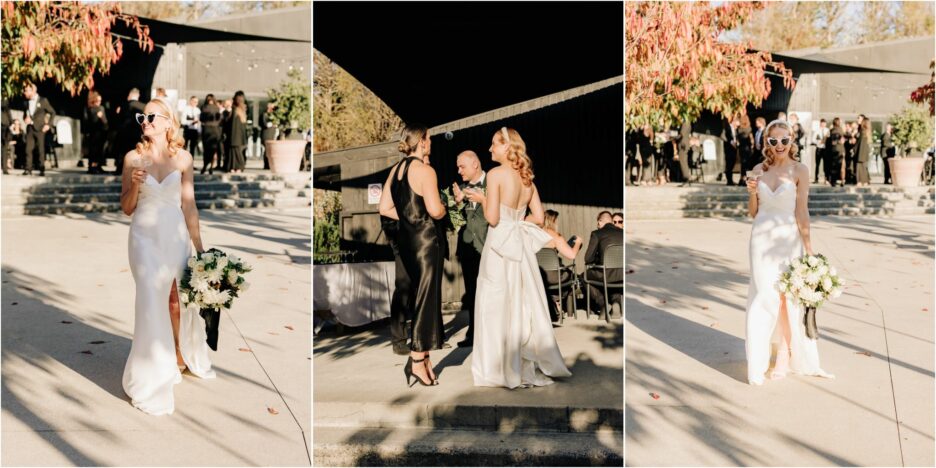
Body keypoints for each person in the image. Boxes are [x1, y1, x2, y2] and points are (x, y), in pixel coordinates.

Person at [120, 98, 215, 415]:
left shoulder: (184, 158)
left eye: (150, 116)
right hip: (143, 237)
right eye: (141, 117)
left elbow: (189, 205)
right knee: (149, 297)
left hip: (174, 236)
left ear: (167, 122)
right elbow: (126, 207)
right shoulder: (133, 158)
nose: (144, 121)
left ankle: (177, 349)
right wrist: (133, 186)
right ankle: (150, 371)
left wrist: (200, 246)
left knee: (176, 299)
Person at [466, 127, 572, 388]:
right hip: (519, 247)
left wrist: (482, 200)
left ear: (507, 146)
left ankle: (499, 368)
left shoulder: (495, 175)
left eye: (493, 144)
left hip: (498, 246)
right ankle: (524, 364)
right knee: (521, 303)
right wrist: (517, 221)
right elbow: (537, 217)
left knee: (495, 305)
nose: (490, 149)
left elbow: (492, 218)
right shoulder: (528, 180)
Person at [744, 119, 834, 386]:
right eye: (774, 141)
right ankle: (757, 360)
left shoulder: (800, 170)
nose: (780, 145)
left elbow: (801, 211)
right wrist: (750, 191)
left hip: (788, 239)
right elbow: (753, 212)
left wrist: (808, 249)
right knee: (764, 295)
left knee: (786, 299)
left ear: (792, 141)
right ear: (766, 143)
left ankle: (784, 354)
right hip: (761, 238)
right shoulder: (758, 170)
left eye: (785, 140)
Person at [378, 123, 446, 387]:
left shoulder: (395, 170)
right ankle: (417, 361)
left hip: (407, 243)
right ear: (422, 142)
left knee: (420, 297)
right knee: (427, 300)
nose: (430, 143)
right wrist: (443, 206)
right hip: (427, 241)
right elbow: (436, 210)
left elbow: (385, 207)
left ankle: (424, 359)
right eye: (428, 139)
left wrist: (408, 219)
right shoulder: (425, 170)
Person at [450, 150, 488, 348]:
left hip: (489, 247)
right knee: (472, 293)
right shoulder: (461, 190)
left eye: (461, 166)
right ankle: (474, 334)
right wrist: (456, 205)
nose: (459, 171)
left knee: (492, 293)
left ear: (475, 164)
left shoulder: (494, 184)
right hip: (467, 249)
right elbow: (454, 223)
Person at [539, 209, 583, 321]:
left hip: (538, 274)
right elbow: (572, 255)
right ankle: (557, 300)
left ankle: (553, 301)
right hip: (554, 277)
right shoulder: (556, 237)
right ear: (553, 221)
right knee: (571, 275)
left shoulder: (535, 234)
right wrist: (577, 243)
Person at [582, 211, 624, 317]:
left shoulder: (597, 233)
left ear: (600, 221)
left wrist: (598, 258)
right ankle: (616, 303)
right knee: (614, 277)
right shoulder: (623, 232)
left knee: (584, 276)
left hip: (606, 272)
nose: (598, 225)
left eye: (598, 223)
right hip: (622, 273)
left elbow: (588, 258)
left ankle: (603, 304)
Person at [20, 83, 56, 176]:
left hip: (40, 128)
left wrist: (48, 125)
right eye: (25, 90)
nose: (25, 92)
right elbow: (25, 114)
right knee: (28, 149)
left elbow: (52, 112)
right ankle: (28, 169)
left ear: (33, 91)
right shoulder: (26, 102)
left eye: (27, 90)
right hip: (30, 128)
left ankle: (41, 169)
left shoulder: (43, 100)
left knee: (40, 149)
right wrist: (25, 119)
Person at [115, 88, 146, 176]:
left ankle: (120, 169)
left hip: (123, 132)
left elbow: (118, 120)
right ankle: (134, 170)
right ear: (138, 95)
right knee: (136, 151)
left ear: (129, 95)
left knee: (123, 151)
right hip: (137, 133)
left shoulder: (123, 105)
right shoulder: (143, 106)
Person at [82, 91, 108, 174]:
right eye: (98, 101)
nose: (99, 102)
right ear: (94, 100)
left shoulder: (101, 108)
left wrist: (102, 117)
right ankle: (91, 167)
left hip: (101, 132)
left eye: (100, 101)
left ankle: (98, 166)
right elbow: (85, 120)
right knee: (93, 150)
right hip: (92, 132)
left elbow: (105, 122)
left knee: (100, 150)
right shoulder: (88, 108)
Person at [200, 94, 222, 174]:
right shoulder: (217, 108)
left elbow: (201, 119)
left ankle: (205, 165)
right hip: (215, 130)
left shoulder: (204, 107)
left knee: (206, 149)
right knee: (213, 149)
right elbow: (219, 119)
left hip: (206, 129)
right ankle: (211, 167)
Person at [226, 92, 248, 173]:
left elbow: (230, 123)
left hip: (234, 135)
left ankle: (235, 167)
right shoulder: (241, 110)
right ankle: (236, 167)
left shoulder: (235, 110)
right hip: (238, 135)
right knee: (236, 151)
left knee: (235, 152)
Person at [737, 115, 755, 186]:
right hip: (748, 148)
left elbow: (738, 139)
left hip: (741, 148)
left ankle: (742, 179)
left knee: (743, 165)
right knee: (748, 165)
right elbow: (751, 140)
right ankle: (747, 179)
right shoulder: (749, 128)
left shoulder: (739, 129)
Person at [827, 118, 846, 186]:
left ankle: (834, 180)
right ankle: (841, 180)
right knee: (840, 166)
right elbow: (836, 140)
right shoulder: (839, 130)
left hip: (834, 149)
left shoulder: (832, 130)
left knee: (834, 165)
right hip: (839, 149)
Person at [259, 102, 278, 170]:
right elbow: (265, 124)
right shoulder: (264, 114)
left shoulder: (273, 115)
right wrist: (272, 124)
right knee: (266, 150)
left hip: (271, 134)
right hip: (266, 135)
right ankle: (266, 165)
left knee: (270, 150)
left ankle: (269, 164)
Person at [856, 119, 872, 186]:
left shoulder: (862, 132)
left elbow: (859, 143)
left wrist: (854, 150)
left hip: (861, 152)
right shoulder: (868, 132)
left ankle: (860, 181)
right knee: (864, 167)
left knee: (859, 167)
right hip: (865, 152)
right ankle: (865, 181)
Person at [813, 119, 829, 184]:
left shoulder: (827, 130)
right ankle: (816, 178)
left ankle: (826, 178)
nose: (823, 124)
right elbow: (813, 139)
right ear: (820, 123)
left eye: (824, 123)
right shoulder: (817, 130)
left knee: (826, 164)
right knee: (817, 164)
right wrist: (818, 142)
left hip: (825, 149)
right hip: (819, 148)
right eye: (822, 123)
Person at [2, 99, 11, 174]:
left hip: (4, 126)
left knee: (4, 148)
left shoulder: (4, 100)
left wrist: (11, 122)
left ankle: (5, 168)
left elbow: (7, 110)